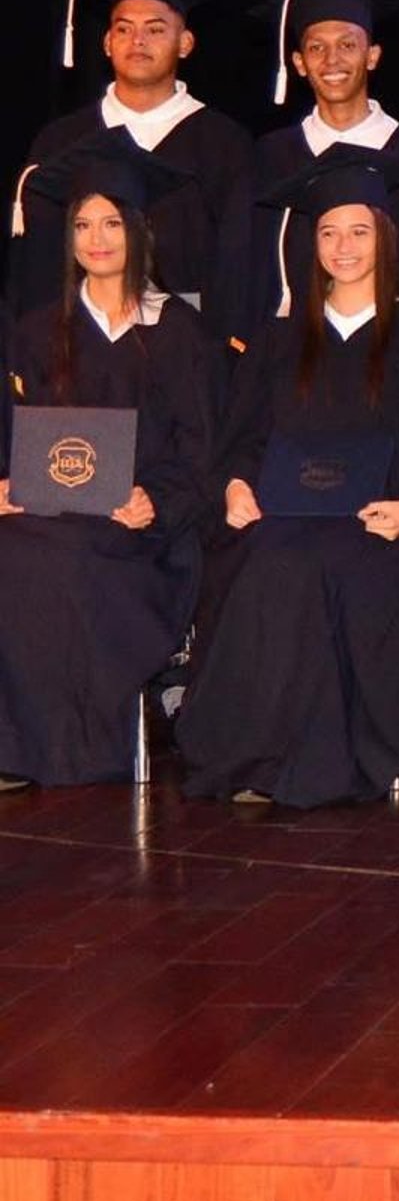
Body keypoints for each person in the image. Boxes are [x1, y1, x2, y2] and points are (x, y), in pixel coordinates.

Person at [175, 150, 399, 807]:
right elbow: (243, 439)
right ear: (310, 242)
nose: (343, 246)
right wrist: (235, 486)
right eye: (328, 232)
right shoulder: (277, 337)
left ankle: (330, 763)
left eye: (359, 231)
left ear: (384, 238)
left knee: (328, 566)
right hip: (280, 519)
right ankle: (255, 755)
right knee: (269, 565)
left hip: (376, 522)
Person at [0, 138, 219, 789]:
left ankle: (78, 749)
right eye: (83, 225)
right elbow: (16, 434)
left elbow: (200, 450)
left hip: (139, 536)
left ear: (140, 231)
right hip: (48, 514)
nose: (97, 239)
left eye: (113, 222)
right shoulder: (39, 331)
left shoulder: (176, 331)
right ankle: (14, 745)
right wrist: (8, 482)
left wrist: (155, 499)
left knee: (67, 560)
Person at [11, 0, 253, 340]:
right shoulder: (60, 140)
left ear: (185, 43)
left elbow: (237, 268)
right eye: (124, 28)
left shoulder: (224, 144)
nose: (137, 40)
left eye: (155, 29)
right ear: (107, 42)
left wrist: (222, 352)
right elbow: (38, 264)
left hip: (187, 345)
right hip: (76, 347)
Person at [244, 0, 399, 335]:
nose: (332, 60)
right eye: (317, 48)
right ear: (299, 63)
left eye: (348, 45)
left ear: (372, 56)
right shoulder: (269, 157)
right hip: (295, 349)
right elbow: (252, 269)